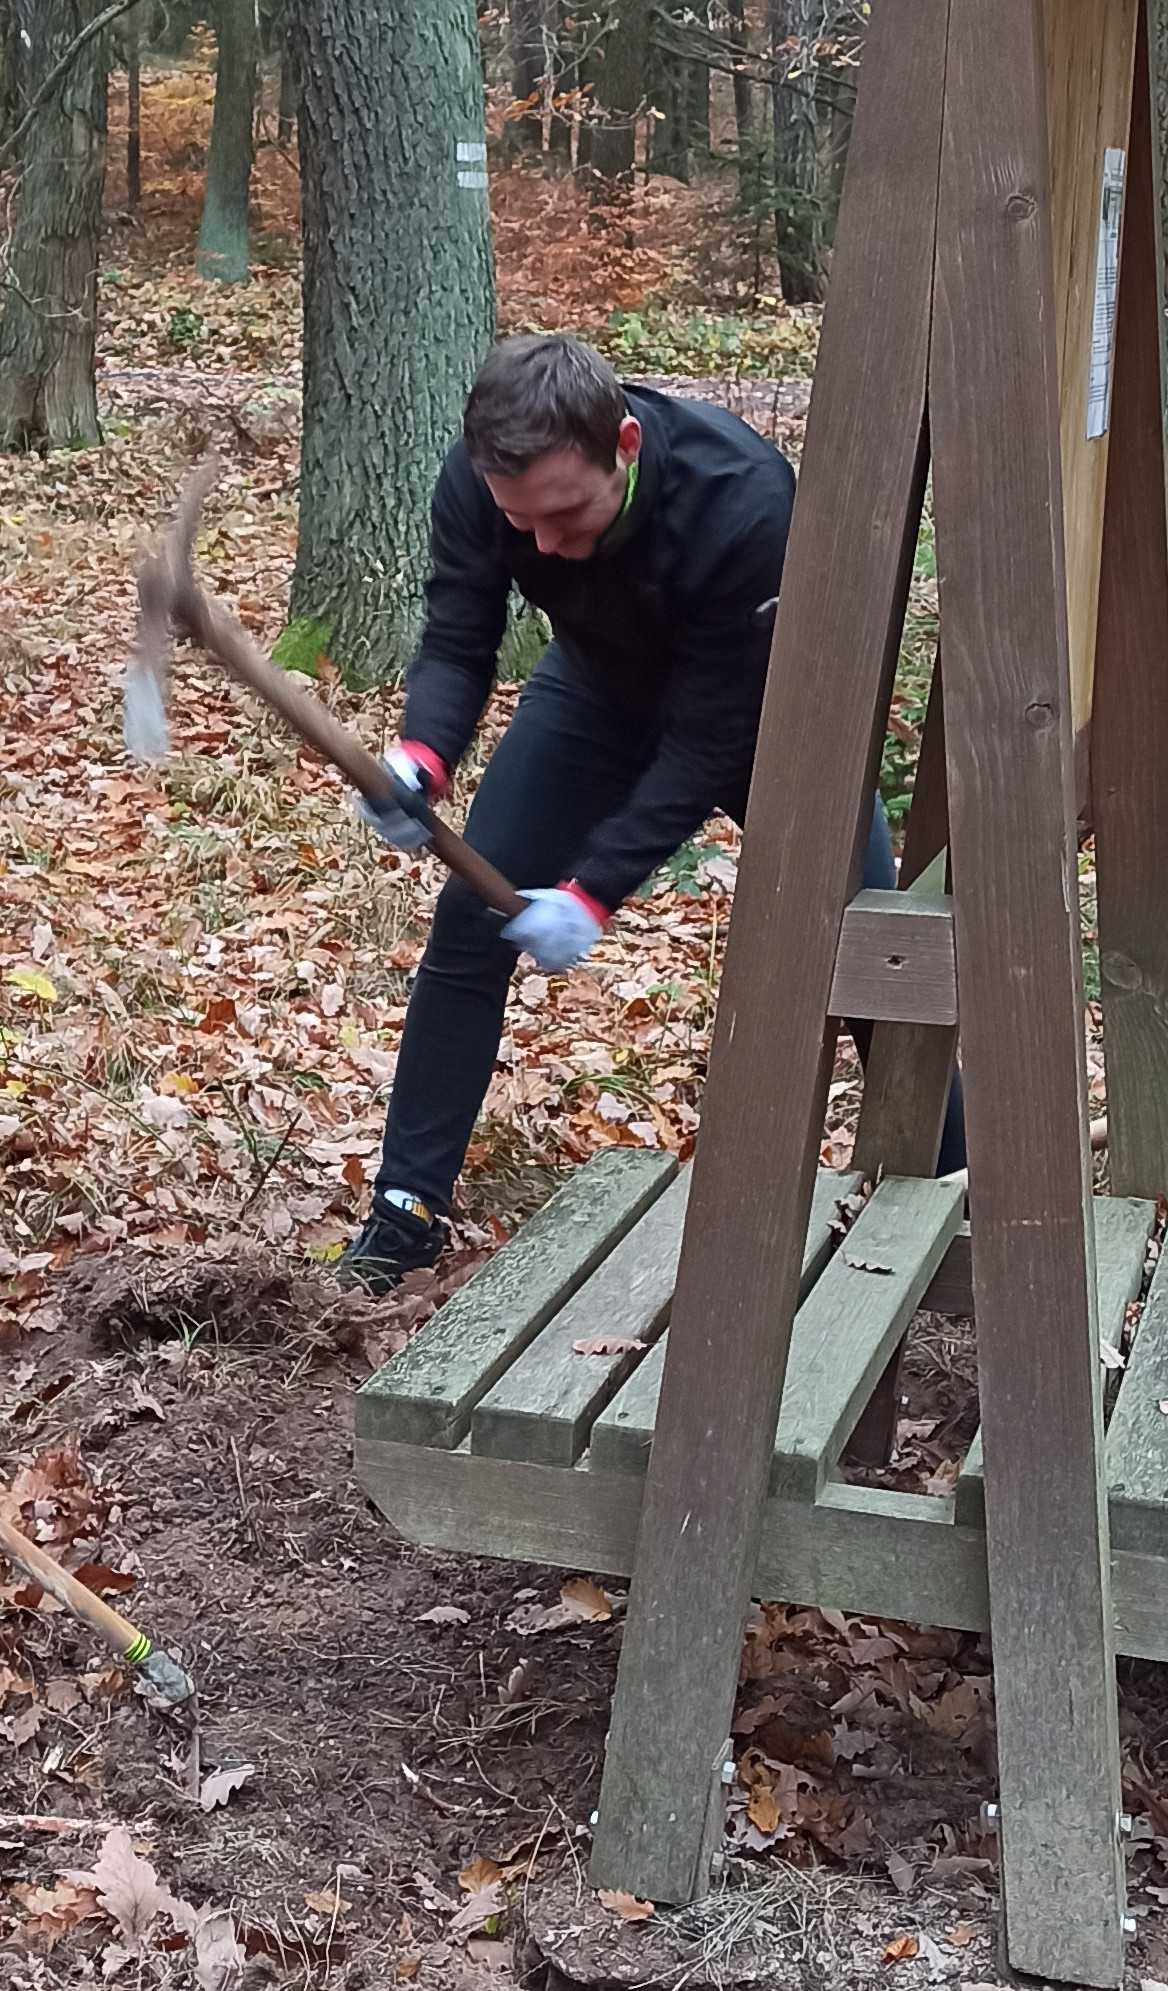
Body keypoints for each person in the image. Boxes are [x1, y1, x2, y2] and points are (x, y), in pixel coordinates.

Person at [340, 329, 927, 1287]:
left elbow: (704, 744)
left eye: (566, 516)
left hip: (769, 720)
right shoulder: (488, 480)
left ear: (622, 442)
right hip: (598, 688)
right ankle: (405, 1213)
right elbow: (458, 632)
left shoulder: (743, 503)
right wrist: (421, 758)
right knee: (469, 925)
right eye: (519, 520)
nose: (543, 545)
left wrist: (593, 891)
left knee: (865, 948)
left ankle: (963, 1190)